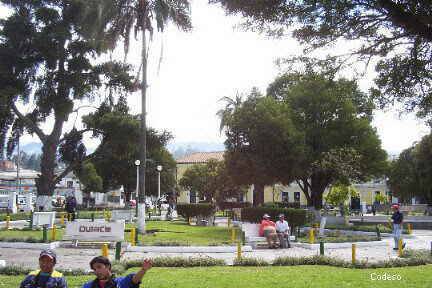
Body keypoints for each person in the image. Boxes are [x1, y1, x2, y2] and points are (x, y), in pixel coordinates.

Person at [83, 256, 152, 288]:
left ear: (108, 266)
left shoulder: (121, 282)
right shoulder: (89, 285)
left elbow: (135, 280)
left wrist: (143, 269)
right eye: (94, 269)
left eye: (99, 267)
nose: (97, 271)